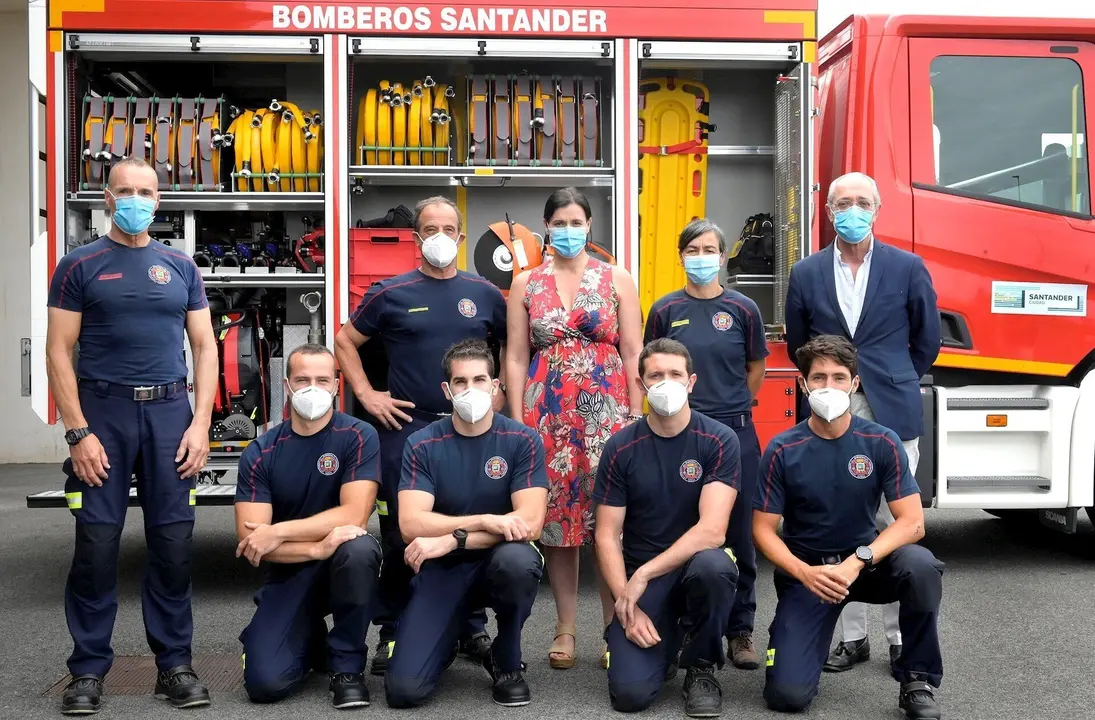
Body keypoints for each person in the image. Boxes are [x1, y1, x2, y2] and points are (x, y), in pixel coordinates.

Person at [45, 157, 218, 715]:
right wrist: (78, 432)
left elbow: (206, 347)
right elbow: (57, 350)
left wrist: (200, 422)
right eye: (126, 190)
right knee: (97, 544)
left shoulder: (180, 265)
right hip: (103, 413)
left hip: (169, 413)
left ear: (160, 200)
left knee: (172, 543)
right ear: (106, 197)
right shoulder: (79, 265)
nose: (136, 199)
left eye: (146, 191)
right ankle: (88, 671)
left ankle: (175, 665)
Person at [334, 196, 507, 674]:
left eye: (448, 229)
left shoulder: (487, 293)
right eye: (429, 229)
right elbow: (345, 341)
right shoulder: (390, 292)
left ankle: (471, 626)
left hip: (470, 428)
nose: (439, 238)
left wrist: (501, 396)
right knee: (397, 531)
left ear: (461, 237)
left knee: (466, 523)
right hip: (406, 430)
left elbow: (513, 348)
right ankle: (392, 628)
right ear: (416, 239)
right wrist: (368, 395)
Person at [785, 171, 941, 673]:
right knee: (842, 521)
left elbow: (927, 339)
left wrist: (893, 377)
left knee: (899, 524)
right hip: (833, 405)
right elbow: (797, 343)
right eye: (842, 203)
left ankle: (899, 637)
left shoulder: (908, 267)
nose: (852, 211)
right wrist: (832, 386)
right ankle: (853, 637)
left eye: (862, 202)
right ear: (828, 212)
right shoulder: (806, 273)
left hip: (891, 406)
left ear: (877, 209)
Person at [754, 334, 944, 719]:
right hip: (810, 573)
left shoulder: (881, 441)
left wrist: (858, 560)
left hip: (864, 565)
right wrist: (804, 572)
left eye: (839, 377)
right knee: (787, 697)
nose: (829, 386)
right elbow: (761, 529)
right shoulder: (782, 448)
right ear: (802, 384)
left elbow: (912, 523)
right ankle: (802, 645)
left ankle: (917, 679)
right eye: (819, 378)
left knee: (920, 566)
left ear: (854, 384)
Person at [505, 186, 645, 670]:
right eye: (559, 222)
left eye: (576, 222)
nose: (568, 230)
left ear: (590, 226)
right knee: (559, 525)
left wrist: (637, 414)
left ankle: (615, 625)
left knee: (609, 523)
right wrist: (520, 421)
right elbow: (517, 355)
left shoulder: (617, 279)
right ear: (546, 226)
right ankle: (565, 627)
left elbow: (632, 351)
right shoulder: (525, 284)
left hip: (608, 415)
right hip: (548, 417)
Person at [383, 339, 549, 708]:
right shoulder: (422, 443)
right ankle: (448, 639)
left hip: (495, 561)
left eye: (480, 379)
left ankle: (506, 661)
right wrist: (485, 520)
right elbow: (410, 524)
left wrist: (452, 539)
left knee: (519, 560)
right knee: (404, 691)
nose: (471, 389)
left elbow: (529, 524)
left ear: (495, 385)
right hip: (442, 570)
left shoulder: (522, 440)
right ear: (446, 390)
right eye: (460, 382)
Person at [643, 218, 768, 671]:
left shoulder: (742, 309)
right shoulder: (664, 309)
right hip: (681, 433)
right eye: (693, 250)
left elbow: (756, 367)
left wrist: (730, 403)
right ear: (681, 256)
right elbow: (654, 366)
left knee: (739, 533)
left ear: (722, 256)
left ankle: (740, 631)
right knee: (680, 527)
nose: (702, 258)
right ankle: (684, 625)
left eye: (710, 250)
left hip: (734, 432)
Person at [593, 338, 741, 717]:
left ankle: (702, 666)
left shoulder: (719, 440)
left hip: (692, 568)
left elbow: (712, 531)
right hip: (644, 582)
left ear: (691, 382)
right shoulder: (620, 447)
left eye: (675, 374)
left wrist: (643, 573)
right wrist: (626, 603)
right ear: (641, 385)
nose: (666, 382)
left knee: (716, 567)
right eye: (655, 375)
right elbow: (606, 535)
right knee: (629, 696)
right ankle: (668, 644)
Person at [234, 344, 383, 709]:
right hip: (289, 573)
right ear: (287, 385)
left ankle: (347, 668)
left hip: (343, 566)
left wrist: (279, 531)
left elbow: (354, 516)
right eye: (303, 380)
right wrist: (316, 548)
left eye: (321, 379)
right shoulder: (262, 450)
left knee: (359, 548)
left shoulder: (359, 436)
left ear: (336, 384)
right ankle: (311, 638)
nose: (312, 388)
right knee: (265, 684)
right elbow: (252, 542)